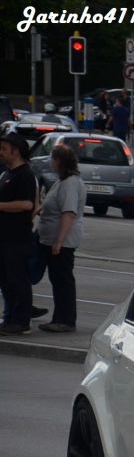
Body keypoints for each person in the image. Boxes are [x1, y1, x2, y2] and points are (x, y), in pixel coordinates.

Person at [34, 143, 86, 333]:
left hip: (62, 241)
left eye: (53, 159)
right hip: (52, 238)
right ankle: (60, 317)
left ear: (58, 161)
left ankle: (65, 320)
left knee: (62, 280)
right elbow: (54, 206)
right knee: (58, 279)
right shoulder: (62, 181)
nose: (51, 162)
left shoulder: (70, 183)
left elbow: (68, 213)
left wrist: (59, 241)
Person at [0, 133, 38, 335]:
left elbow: (27, 204)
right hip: (5, 237)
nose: (1, 153)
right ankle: (10, 318)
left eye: (4, 149)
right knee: (6, 280)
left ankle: (21, 320)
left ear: (16, 150)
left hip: (17, 238)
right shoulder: (7, 174)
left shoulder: (24, 175)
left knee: (17, 280)